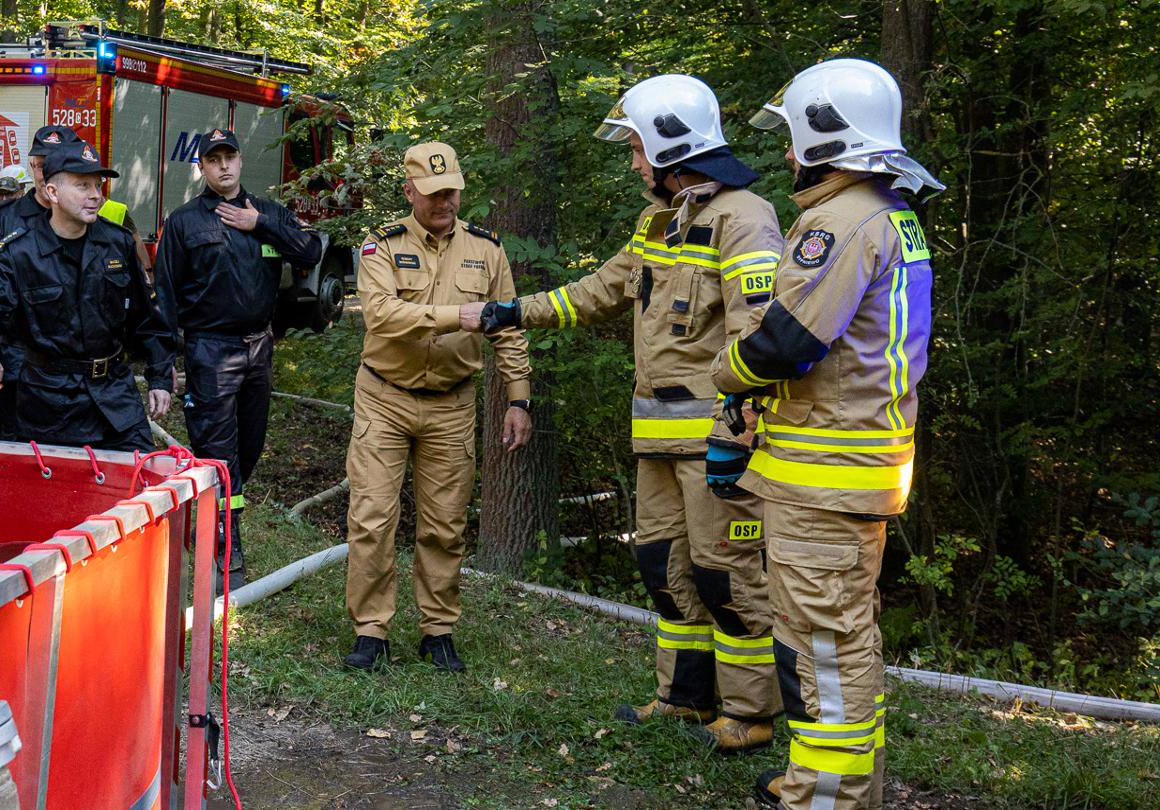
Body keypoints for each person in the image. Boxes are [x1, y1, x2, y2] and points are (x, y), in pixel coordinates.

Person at [480, 74, 785, 752]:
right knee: (663, 567)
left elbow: (759, 335)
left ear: (676, 149)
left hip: (717, 445)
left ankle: (750, 715)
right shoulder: (659, 223)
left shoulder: (745, 218)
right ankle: (682, 698)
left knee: (724, 576)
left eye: (640, 149)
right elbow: (598, 292)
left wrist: (740, 433)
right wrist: (513, 312)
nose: (634, 163)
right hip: (657, 443)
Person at [709, 58, 942, 810]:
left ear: (825, 133)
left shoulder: (837, 221)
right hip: (857, 462)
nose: (785, 155)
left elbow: (785, 343)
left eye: (794, 137)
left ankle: (828, 798)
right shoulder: (891, 212)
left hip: (826, 473)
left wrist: (728, 373)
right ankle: (834, 782)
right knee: (842, 636)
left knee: (823, 648)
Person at [340, 142, 533, 674]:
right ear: (410, 192)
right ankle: (371, 630)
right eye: (432, 193)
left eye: (451, 191)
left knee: (445, 524)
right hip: (385, 397)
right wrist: (459, 316)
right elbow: (381, 316)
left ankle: (438, 629)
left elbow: (508, 329)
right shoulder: (381, 246)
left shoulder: (486, 251)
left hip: (452, 404)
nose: (445, 201)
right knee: (373, 517)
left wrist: (518, 398)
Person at [154, 128, 323, 589]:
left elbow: (310, 250)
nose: (223, 166)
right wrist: (163, 361)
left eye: (230, 157)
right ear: (203, 168)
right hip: (210, 350)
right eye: (214, 160)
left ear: (240, 162)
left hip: (259, 349)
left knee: (248, 449)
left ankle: (211, 516)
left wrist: (260, 226)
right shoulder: (185, 221)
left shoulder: (267, 212)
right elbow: (166, 297)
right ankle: (228, 557)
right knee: (219, 456)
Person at [0, 141, 175, 450]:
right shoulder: (20, 252)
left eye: (97, 184)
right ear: (52, 193)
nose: (96, 195)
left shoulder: (116, 243)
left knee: (139, 481)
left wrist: (159, 377)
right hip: (51, 404)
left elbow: (145, 318)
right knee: (61, 493)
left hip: (114, 398)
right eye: (83, 185)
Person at [0, 125, 85, 441]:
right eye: (40, 163)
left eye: (55, 162)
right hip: (18, 363)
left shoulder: (93, 222)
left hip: (80, 369)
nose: (44, 171)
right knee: (16, 449)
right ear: (32, 166)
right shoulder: (3, 221)